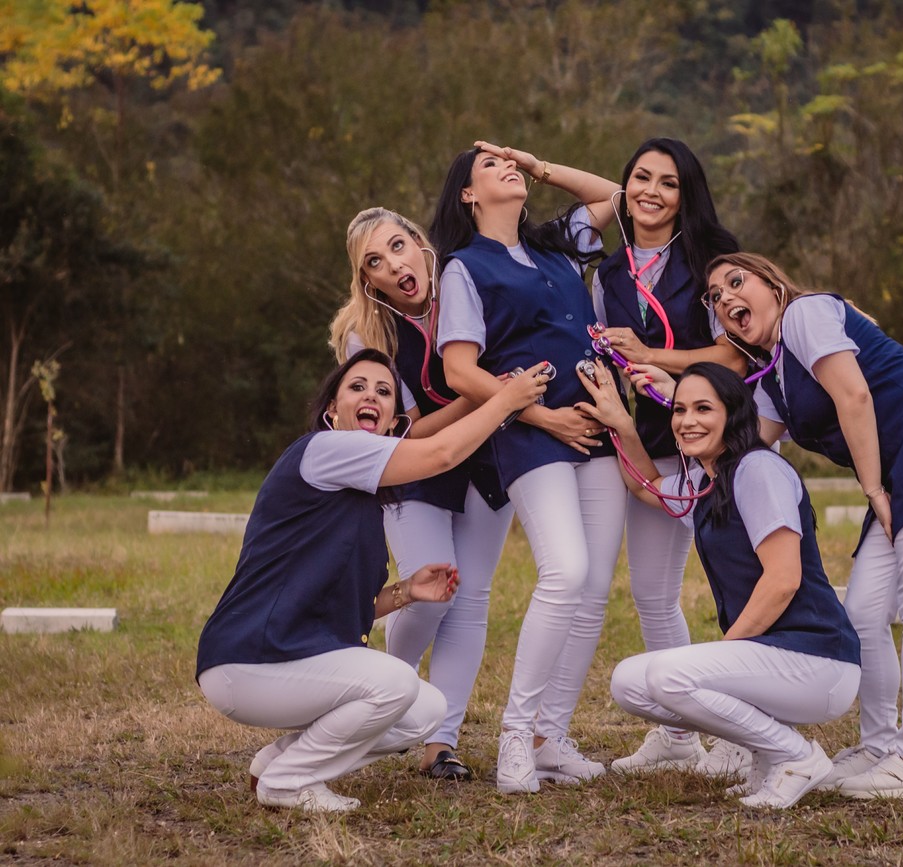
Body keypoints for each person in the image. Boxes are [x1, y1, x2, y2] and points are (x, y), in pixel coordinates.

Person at [701, 252, 903, 799]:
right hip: (896, 470)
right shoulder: (773, 378)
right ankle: (880, 745)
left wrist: (872, 491)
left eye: (736, 281)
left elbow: (854, 395)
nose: (725, 297)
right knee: (864, 612)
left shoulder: (806, 313)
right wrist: (665, 387)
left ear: (772, 283)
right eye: (715, 296)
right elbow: (742, 447)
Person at [196, 348, 548, 812]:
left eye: (384, 391)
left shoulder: (360, 500)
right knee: (396, 681)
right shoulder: (323, 450)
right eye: (357, 387)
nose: (372, 396)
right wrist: (504, 401)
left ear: (392, 424)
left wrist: (407, 592)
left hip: (279, 663)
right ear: (332, 412)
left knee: (425, 710)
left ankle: (278, 762)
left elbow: (337, 602)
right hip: (247, 661)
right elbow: (440, 452)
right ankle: (287, 782)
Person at [430, 141, 628, 795]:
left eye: (511, 163)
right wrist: (540, 416)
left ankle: (550, 735)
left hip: (599, 425)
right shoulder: (463, 267)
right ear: (467, 194)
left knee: (595, 582)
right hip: (530, 432)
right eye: (491, 166)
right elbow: (460, 369)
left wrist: (541, 166)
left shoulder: (557, 246)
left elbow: (610, 196)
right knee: (565, 569)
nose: (507, 168)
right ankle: (515, 737)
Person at [574, 361, 861, 809]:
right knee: (628, 682)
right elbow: (647, 485)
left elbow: (784, 579)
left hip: (818, 658)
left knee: (670, 676)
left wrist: (724, 654)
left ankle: (796, 756)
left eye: (703, 408)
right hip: (776, 659)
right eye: (680, 409)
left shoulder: (757, 470)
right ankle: (768, 757)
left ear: (733, 413)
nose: (688, 421)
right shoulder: (706, 483)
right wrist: (622, 423)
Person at [329, 208, 515, 781]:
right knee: (432, 592)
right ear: (368, 281)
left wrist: (495, 402)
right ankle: (385, 693)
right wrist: (492, 397)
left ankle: (442, 742)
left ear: (420, 243)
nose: (394, 266)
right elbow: (404, 429)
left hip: (488, 463)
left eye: (398, 246)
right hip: (415, 466)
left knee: (469, 596)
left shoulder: (471, 286)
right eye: (375, 264)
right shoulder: (370, 333)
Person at [589, 138, 751, 777]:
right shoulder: (607, 273)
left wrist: (655, 357)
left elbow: (734, 355)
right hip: (649, 443)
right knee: (653, 593)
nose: (651, 192)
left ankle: (746, 733)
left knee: (737, 585)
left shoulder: (715, 257)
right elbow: (615, 360)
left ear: (688, 194)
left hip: (720, 442)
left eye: (668, 182)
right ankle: (679, 738)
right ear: (623, 187)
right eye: (640, 178)